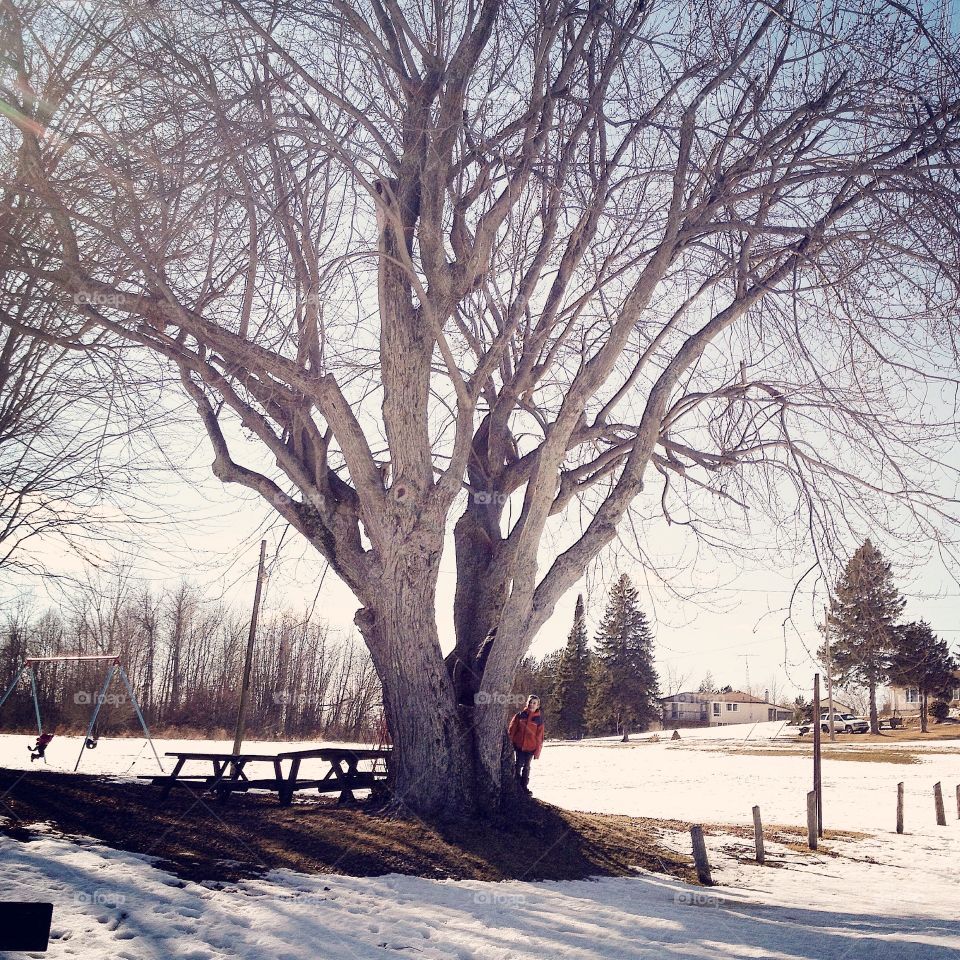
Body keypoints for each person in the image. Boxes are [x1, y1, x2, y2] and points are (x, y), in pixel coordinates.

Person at [508, 695, 544, 794]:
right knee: (518, 764)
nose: (531, 705)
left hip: (531, 747)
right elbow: (512, 730)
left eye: (534, 703)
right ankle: (516, 785)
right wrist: (510, 743)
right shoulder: (520, 715)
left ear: (538, 706)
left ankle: (524, 787)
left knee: (527, 766)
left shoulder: (539, 720)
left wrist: (537, 752)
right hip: (519, 746)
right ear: (526, 703)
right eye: (530, 702)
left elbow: (539, 737)